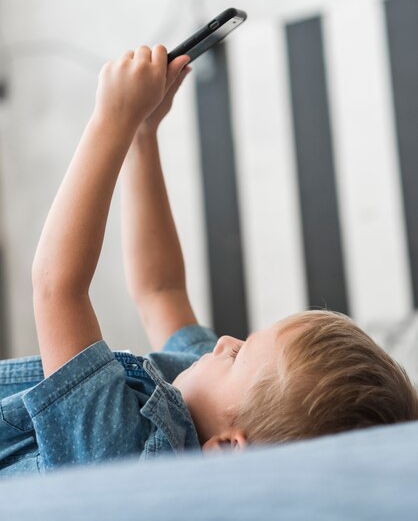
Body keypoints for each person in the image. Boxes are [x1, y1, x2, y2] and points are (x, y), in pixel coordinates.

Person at [0, 45, 417, 477]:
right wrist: (143, 137)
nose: (223, 342)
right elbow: (160, 289)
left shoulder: (127, 462)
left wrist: (112, 120)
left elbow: (57, 287)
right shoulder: (209, 406)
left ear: (227, 447)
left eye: (237, 354)